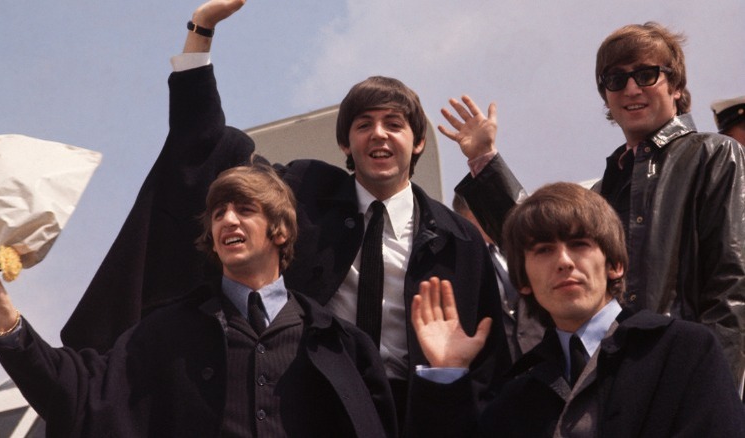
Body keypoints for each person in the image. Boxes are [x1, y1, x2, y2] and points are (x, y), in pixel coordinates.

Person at [60, 0, 510, 428]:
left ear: (418, 143)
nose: (379, 134)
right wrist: (202, 31)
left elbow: (493, 354)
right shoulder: (301, 192)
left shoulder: (457, 239)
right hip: (308, 401)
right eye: (363, 124)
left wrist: (485, 166)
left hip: (418, 410)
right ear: (344, 145)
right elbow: (207, 144)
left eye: (394, 124)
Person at [0, 164, 397, 437]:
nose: (227, 218)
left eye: (244, 209)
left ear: (280, 231)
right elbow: (78, 392)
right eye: (218, 212)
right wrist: (8, 326)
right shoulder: (167, 332)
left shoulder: (341, 345)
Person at [442, 21, 745, 391]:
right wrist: (483, 159)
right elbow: (534, 238)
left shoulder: (714, 154)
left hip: (680, 375)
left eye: (647, 74)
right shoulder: (609, 182)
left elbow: (732, 286)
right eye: (615, 80)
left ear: (677, 85)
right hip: (607, 379)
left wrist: (714, 393)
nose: (631, 88)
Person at [407, 182, 745, 437]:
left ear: (615, 264)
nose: (564, 262)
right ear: (523, 281)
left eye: (580, 244)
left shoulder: (682, 352)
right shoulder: (519, 395)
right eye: (543, 250)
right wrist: (447, 374)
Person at [452, 193, 544, 361]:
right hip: (493, 366)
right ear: (465, 217)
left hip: (539, 357)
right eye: (484, 214)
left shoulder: (521, 252)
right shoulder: (458, 263)